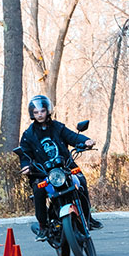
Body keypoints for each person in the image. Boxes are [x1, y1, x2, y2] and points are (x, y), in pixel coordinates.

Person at [18, 94, 103, 241]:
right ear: (32, 114)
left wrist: (86, 141)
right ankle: (43, 227)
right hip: (42, 172)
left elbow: (72, 137)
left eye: (42, 111)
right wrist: (26, 166)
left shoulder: (57, 127)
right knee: (38, 190)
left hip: (65, 167)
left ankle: (88, 218)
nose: (39, 115)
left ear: (48, 111)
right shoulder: (28, 135)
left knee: (81, 182)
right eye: (36, 112)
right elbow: (24, 154)